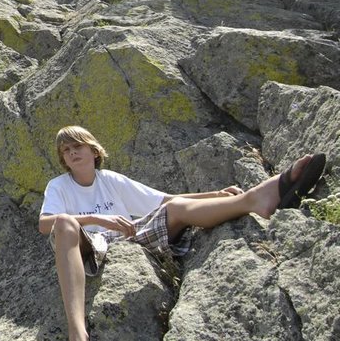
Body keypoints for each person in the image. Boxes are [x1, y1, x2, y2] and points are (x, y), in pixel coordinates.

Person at [38, 125, 326, 341]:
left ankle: (254, 200)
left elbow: (163, 200)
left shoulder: (110, 179)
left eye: (77, 145)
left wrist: (214, 193)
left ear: (93, 150)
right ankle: (78, 332)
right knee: (64, 222)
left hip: (129, 238)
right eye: (66, 150)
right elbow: (44, 224)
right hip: (90, 244)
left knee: (175, 208)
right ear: (63, 160)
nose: (72, 152)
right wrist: (95, 218)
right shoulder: (59, 186)